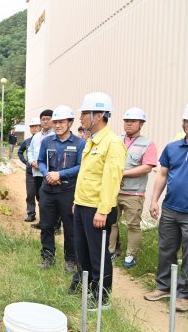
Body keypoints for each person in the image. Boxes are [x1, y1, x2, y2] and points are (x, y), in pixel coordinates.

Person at [69, 92, 125, 309]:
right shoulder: (92, 141)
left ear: (99, 115)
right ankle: (87, 289)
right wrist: (76, 200)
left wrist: (103, 210)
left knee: (98, 255)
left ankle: (101, 298)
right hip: (83, 205)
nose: (81, 118)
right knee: (81, 251)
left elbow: (111, 180)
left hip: (97, 210)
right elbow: (85, 176)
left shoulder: (112, 143)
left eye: (85, 113)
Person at [144, 104, 188, 312]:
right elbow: (162, 174)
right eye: (187, 122)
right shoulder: (172, 148)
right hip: (170, 208)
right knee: (166, 249)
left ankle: (183, 294)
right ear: (183, 124)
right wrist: (154, 201)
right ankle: (164, 286)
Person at [36, 105, 85, 272]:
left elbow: (81, 166)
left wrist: (60, 175)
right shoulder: (47, 141)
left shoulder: (80, 144)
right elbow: (41, 161)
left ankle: (70, 260)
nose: (57, 125)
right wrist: (47, 174)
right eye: (55, 122)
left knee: (70, 228)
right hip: (48, 190)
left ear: (70, 123)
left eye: (61, 122)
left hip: (68, 192)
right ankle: (47, 257)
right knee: (46, 225)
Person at [108, 107, 157, 267]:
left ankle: (131, 256)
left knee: (133, 225)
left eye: (133, 121)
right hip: (113, 190)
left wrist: (122, 173)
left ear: (141, 124)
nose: (128, 124)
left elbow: (147, 167)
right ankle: (111, 251)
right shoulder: (116, 140)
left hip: (134, 193)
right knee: (112, 222)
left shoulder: (148, 144)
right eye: (126, 121)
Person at [27, 109, 54, 229]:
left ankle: (54, 225)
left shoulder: (55, 136)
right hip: (36, 173)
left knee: (50, 199)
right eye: (43, 119)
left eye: (48, 119)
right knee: (39, 197)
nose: (45, 121)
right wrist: (32, 161)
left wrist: (43, 164)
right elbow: (30, 150)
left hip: (49, 173)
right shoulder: (36, 136)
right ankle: (43, 222)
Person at [18, 118, 41, 222]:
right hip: (30, 172)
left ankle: (44, 217)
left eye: (36, 126)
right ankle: (31, 214)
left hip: (42, 173)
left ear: (40, 127)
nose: (34, 128)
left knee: (41, 195)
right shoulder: (27, 141)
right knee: (30, 194)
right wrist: (26, 162)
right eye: (32, 126)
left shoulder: (43, 140)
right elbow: (20, 152)